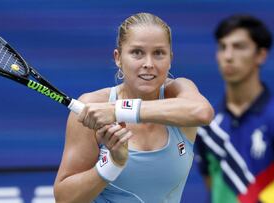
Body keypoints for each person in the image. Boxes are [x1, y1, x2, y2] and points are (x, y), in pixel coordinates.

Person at [54, 12, 214, 203]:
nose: (148, 64)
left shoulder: (180, 90)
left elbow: (203, 112)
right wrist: (112, 163)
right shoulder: (92, 105)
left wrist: (118, 110)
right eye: (137, 52)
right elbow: (64, 198)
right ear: (118, 57)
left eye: (158, 53)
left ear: (170, 58)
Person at [195, 14, 274, 203]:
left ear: (261, 55)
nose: (228, 56)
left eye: (239, 47)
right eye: (223, 47)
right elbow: (212, 188)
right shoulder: (207, 126)